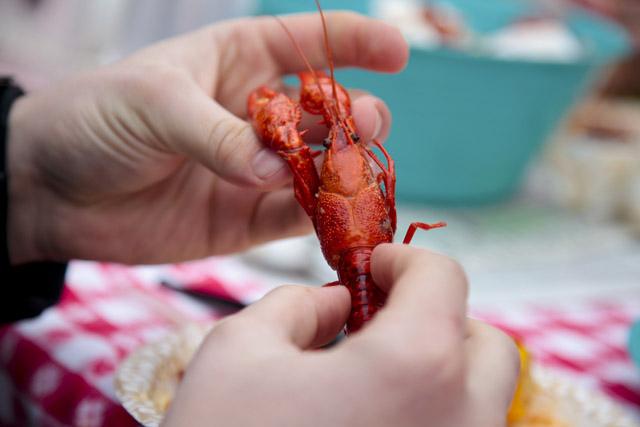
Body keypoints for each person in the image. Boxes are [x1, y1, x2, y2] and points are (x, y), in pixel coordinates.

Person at [0, 12, 519, 426]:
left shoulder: (311, 179)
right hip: (366, 276)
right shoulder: (363, 172)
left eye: (350, 140)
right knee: (350, 120)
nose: (343, 134)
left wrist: (26, 181)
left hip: (351, 276)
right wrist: (30, 182)